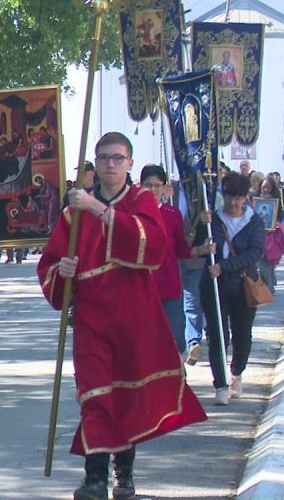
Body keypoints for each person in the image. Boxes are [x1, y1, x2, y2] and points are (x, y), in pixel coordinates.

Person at [38, 133, 206, 500]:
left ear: (129, 163)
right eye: (103, 158)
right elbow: (50, 263)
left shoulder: (141, 199)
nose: (110, 165)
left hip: (133, 314)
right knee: (95, 394)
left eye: (117, 158)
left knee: (126, 395)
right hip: (91, 317)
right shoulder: (72, 213)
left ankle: (123, 472)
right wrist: (62, 271)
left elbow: (155, 246)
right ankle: (94, 476)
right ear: (95, 164)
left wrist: (99, 210)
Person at [194, 172, 266, 406]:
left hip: (243, 286)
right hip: (214, 287)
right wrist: (204, 238)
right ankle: (220, 384)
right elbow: (197, 246)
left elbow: (255, 253)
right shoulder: (212, 219)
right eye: (229, 197)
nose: (234, 202)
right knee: (217, 335)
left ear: (246, 197)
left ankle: (237, 370)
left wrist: (224, 267)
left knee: (242, 335)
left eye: (239, 197)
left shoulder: (254, 221)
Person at [139, 165, 212, 357]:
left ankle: (176, 374)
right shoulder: (132, 214)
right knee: (146, 338)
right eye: (148, 185)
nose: (153, 190)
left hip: (169, 283)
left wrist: (200, 250)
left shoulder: (172, 214)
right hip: (142, 286)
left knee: (174, 338)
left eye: (157, 185)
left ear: (164, 188)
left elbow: (181, 248)